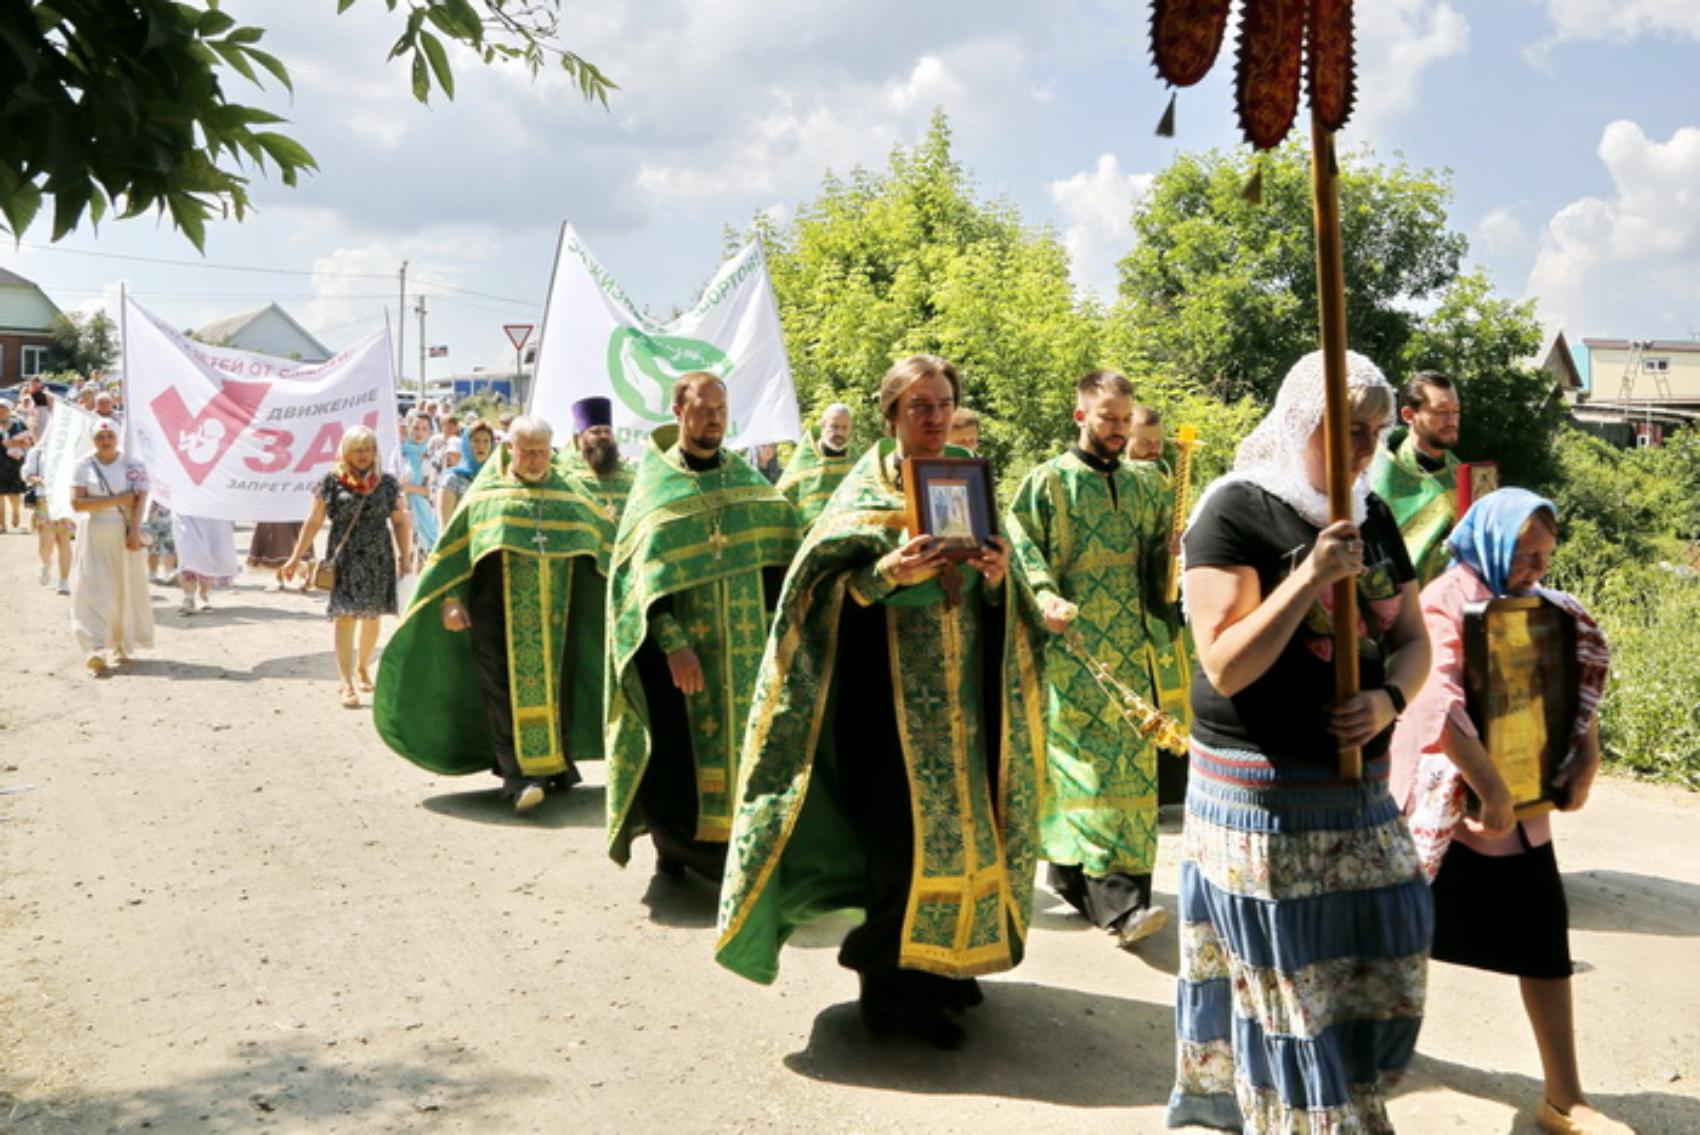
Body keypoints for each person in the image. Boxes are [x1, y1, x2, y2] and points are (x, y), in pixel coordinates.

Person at [716, 354, 1043, 1050]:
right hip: (883, 715)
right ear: (891, 414)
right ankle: (889, 988)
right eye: (918, 405)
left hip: (968, 712)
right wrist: (882, 574)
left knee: (966, 843)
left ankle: (945, 968)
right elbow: (813, 598)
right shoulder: (860, 493)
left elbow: (1013, 604)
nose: (934, 417)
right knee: (900, 853)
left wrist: (996, 578)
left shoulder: (970, 480)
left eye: (944, 402)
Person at [1168, 350, 1433, 1132]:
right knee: (1291, 994)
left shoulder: (1371, 512)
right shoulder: (1234, 510)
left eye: (1377, 433)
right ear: (1300, 422)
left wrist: (1388, 700)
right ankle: (1313, 1120)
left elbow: (1414, 638)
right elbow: (1225, 659)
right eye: (1348, 431)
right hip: (1261, 796)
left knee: (1387, 954)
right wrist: (1309, 574)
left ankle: (1334, 1105)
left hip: (1357, 788)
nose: (1363, 451)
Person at [1391, 490, 1631, 1135]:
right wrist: (1490, 789)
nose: (1537, 568)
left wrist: (1585, 754)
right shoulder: (1444, 600)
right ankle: (1349, 1072)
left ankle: (1564, 1098)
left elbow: (1567, 684)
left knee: (1543, 938)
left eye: (1545, 555)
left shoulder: (1541, 609)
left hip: (1515, 809)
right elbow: (1437, 705)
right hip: (1443, 809)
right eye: (1526, 554)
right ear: (1495, 542)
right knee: (1386, 940)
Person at [1005, 369, 1184, 949]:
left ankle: (1073, 877)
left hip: (1132, 652)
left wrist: (1173, 554)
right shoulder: (1047, 483)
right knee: (1090, 772)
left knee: (1132, 772)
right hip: (1074, 649)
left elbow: (1160, 568)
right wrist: (1044, 595)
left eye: (1124, 419)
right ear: (1081, 416)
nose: (1117, 429)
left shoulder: (1147, 484)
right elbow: (1020, 549)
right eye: (1107, 418)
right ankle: (1123, 906)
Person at [605, 372, 800, 882]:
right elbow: (640, 586)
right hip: (684, 655)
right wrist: (673, 645)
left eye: (720, 408)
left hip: (748, 652)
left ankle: (742, 855)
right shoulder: (656, 486)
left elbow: (783, 541)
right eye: (703, 408)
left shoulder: (742, 479)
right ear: (678, 411)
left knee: (751, 754)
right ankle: (678, 849)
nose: (714, 417)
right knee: (677, 757)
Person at [376, 416, 618, 811]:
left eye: (543, 451)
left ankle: (555, 765)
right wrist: (451, 598)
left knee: (560, 689)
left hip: (559, 617)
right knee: (500, 689)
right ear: (512, 450)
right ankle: (517, 776)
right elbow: (454, 552)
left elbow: (603, 549)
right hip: (495, 613)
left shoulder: (569, 496)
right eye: (528, 452)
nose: (537, 459)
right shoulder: (488, 495)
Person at [282, 427, 410, 708]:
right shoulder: (330, 482)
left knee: (372, 616)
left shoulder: (387, 483)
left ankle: (363, 665)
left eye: (368, 449)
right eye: (357, 450)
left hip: (378, 556)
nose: (363, 456)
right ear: (346, 452)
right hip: (345, 557)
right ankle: (345, 682)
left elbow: (400, 521)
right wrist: (295, 557)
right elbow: (313, 521)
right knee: (345, 616)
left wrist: (406, 556)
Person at [68, 419, 155, 674]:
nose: (105, 441)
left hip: (123, 533)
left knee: (121, 588)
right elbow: (78, 504)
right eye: (100, 436)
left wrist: (135, 532)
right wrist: (118, 499)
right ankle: (94, 647)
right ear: (93, 438)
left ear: (117, 436)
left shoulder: (133, 465)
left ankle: (118, 642)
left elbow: (139, 501)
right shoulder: (83, 465)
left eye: (109, 436)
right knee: (92, 588)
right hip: (93, 535)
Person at [1369, 370, 1464, 586]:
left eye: (1456, 411)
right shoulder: (1377, 472)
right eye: (1441, 412)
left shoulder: (1463, 477)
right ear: (1409, 416)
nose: (1452, 421)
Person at [775, 402, 855, 529]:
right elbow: (782, 501)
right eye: (834, 426)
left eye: (844, 428)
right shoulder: (805, 461)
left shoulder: (856, 463)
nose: (840, 432)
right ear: (823, 426)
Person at [22, 441, 73, 592]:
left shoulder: (72, 448)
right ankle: (46, 563)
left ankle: (64, 581)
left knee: (65, 542)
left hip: (66, 501)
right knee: (46, 544)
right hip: (45, 500)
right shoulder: (37, 451)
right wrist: (40, 480)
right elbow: (26, 474)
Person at [171, 513, 239, 615]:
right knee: (189, 553)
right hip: (186, 511)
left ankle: (203, 595)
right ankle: (189, 597)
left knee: (212, 555)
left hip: (213, 513)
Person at [396, 414, 441, 566]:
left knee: (427, 558)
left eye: (424, 429)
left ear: (430, 432)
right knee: (404, 559)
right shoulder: (400, 453)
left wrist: (413, 488)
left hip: (427, 513)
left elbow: (437, 490)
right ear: (409, 429)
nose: (419, 432)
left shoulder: (434, 455)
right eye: (415, 427)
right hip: (403, 512)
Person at [436, 420, 494, 527]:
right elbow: (444, 526)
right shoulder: (452, 479)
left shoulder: (495, 478)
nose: (481, 446)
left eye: (486, 441)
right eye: (476, 441)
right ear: (467, 444)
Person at [0, 399, 30, 533]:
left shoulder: (19, 425)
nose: (1, 412)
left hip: (13, 463)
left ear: (9, 410)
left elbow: (28, 444)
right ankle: (1, 524)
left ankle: (16, 511)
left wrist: (14, 444)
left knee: (14, 494)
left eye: (3, 409)